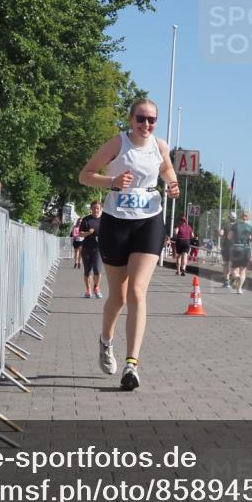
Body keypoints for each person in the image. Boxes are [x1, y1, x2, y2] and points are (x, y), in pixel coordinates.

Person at [78, 97, 179, 391]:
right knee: (118, 298)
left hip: (149, 220)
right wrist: (111, 182)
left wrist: (172, 185)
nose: (146, 124)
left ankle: (131, 365)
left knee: (137, 291)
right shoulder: (117, 143)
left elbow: (167, 170)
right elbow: (84, 176)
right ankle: (105, 341)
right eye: (141, 118)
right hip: (117, 222)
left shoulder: (160, 146)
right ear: (131, 119)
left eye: (151, 120)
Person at [79, 201, 103, 298]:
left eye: (98, 208)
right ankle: (88, 290)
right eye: (94, 208)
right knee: (87, 271)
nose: (96, 210)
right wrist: (88, 233)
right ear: (91, 209)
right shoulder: (86, 219)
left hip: (99, 249)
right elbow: (80, 234)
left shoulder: (104, 220)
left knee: (97, 270)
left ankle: (96, 288)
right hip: (87, 248)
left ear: (101, 209)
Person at [228, 210, 252, 294]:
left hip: (236, 249)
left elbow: (229, 237)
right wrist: (249, 238)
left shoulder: (235, 226)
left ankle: (236, 277)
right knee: (243, 270)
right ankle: (239, 289)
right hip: (246, 250)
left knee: (234, 269)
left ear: (241, 217)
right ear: (248, 218)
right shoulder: (250, 228)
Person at [219, 211, 236, 287]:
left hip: (226, 246)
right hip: (236, 247)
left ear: (229, 218)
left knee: (226, 264)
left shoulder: (225, 225)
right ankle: (234, 279)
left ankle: (226, 281)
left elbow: (221, 234)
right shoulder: (237, 226)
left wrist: (219, 231)